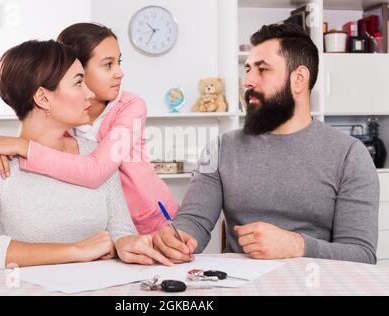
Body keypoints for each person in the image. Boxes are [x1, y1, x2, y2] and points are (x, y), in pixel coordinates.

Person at [153, 23, 379, 264]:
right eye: (248, 69)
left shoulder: (349, 155)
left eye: (262, 70)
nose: (247, 81)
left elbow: (361, 254)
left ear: (299, 79)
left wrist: (296, 245)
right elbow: (194, 220)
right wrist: (178, 238)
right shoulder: (221, 148)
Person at [0, 40, 172, 272]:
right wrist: (75, 251)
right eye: (79, 83)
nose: (90, 94)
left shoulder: (96, 154)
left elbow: (120, 231)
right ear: (43, 98)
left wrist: (124, 243)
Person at [0, 23, 179, 235]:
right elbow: (38, 131)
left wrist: (20, 146)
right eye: (108, 65)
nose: (120, 73)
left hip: (153, 220)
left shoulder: (130, 106)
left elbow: (96, 170)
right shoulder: (66, 114)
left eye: (119, 62)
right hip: (103, 226)